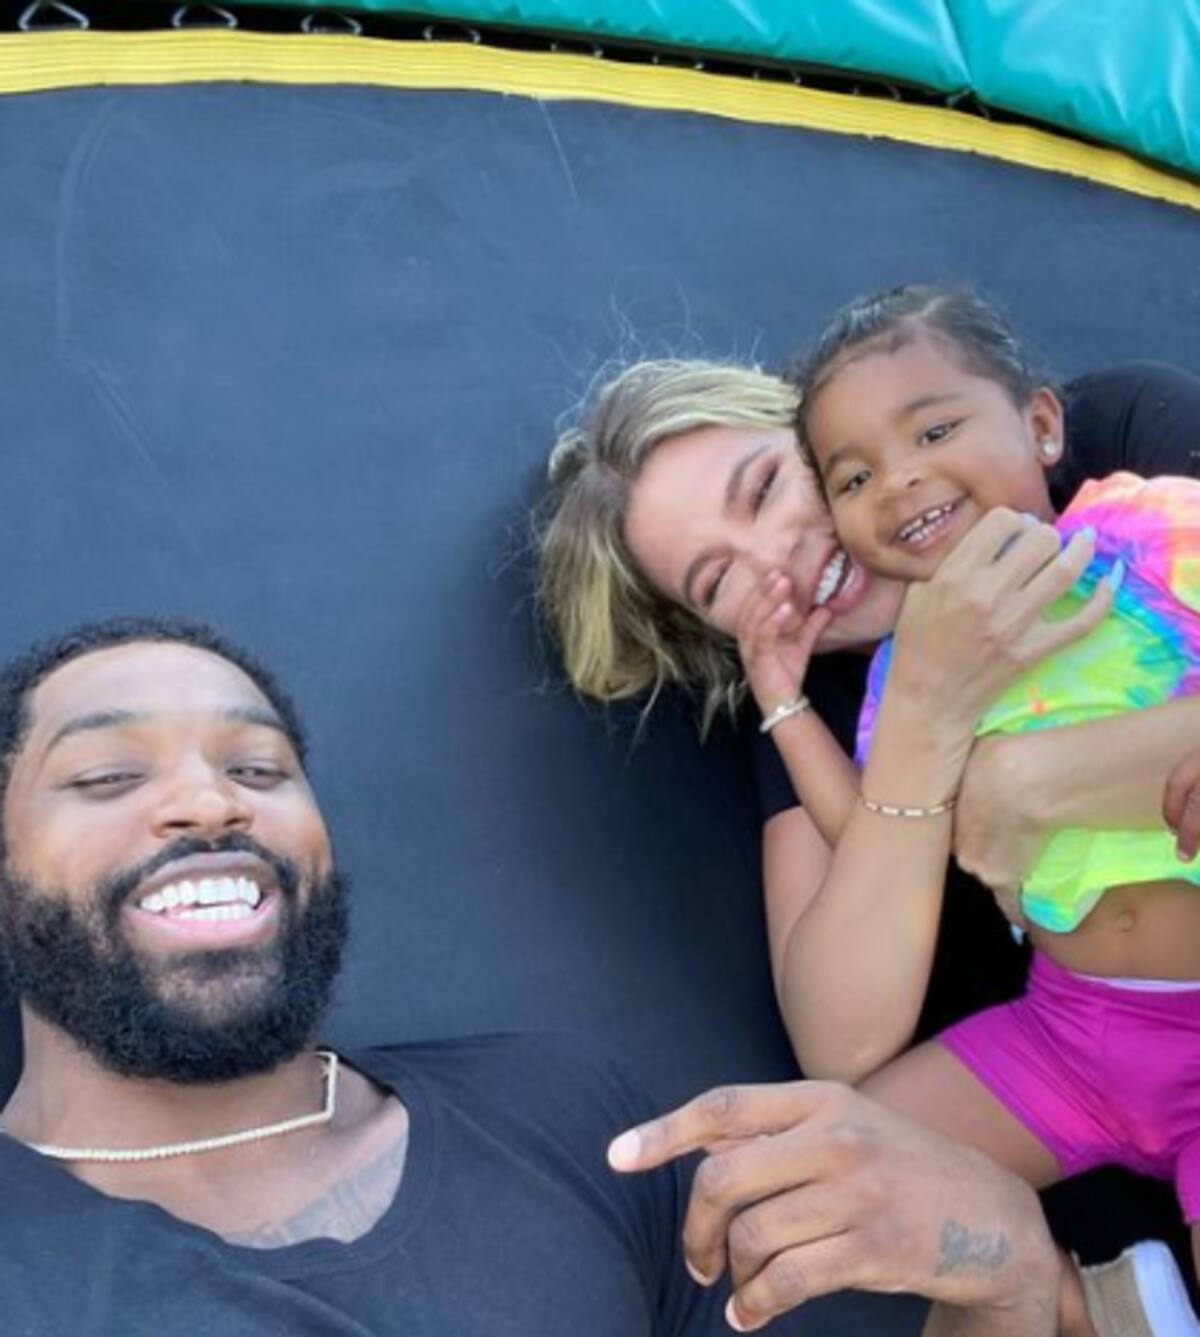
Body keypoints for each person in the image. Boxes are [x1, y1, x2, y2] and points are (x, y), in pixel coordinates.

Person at [0, 614, 1064, 1337]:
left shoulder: (565, 1115)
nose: (211, 801)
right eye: (107, 774)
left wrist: (1006, 1267)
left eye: (257, 767)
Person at [537, 351, 1200, 1331]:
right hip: (1083, 1053)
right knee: (808, 1167)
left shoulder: (1095, 454)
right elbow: (840, 1040)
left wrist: (1016, 787)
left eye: (768, 486)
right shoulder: (819, 705)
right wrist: (924, 709)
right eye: (721, 580)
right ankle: (1074, 1298)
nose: (779, 560)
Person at [787, 284, 1200, 1315]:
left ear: (1043, 426)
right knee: (832, 1161)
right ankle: (1088, 1302)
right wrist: (782, 705)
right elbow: (893, 851)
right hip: (1074, 1028)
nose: (900, 478)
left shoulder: (1144, 527)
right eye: (854, 476)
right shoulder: (904, 678)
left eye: (934, 430)